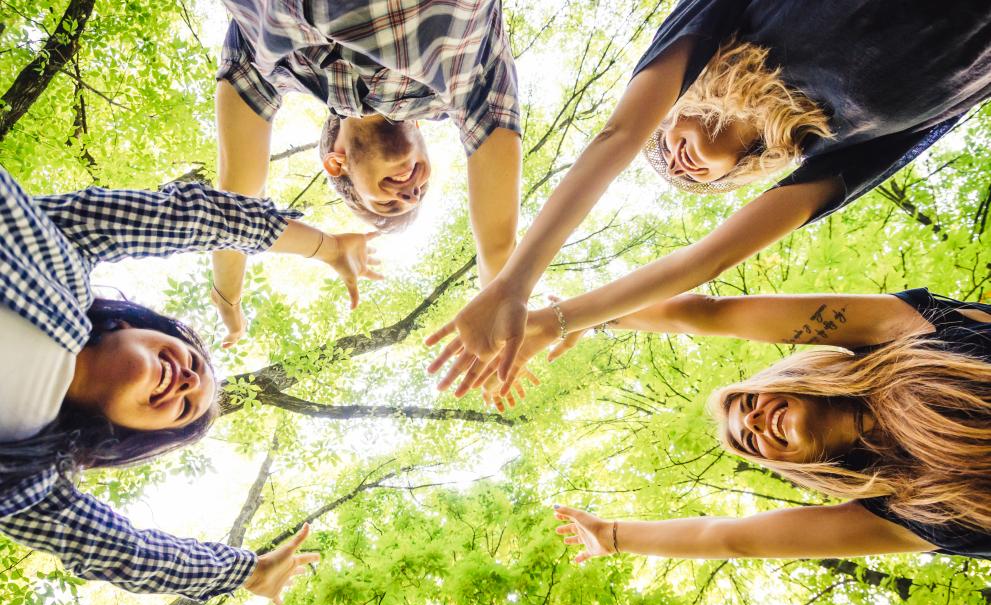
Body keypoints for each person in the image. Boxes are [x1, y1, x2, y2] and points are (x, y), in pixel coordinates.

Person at [425, 0, 991, 393]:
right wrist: (560, 320)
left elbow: (618, 136)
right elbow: (705, 262)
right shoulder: (831, 147)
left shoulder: (728, 29)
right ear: (740, 172)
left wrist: (514, 283)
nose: (676, 162)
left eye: (663, 143)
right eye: (694, 179)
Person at [0, 167, 380, 600]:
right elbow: (190, 218)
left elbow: (132, 555)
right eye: (193, 363)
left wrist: (249, 573)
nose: (187, 381)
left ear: (129, 431)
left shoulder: (28, 482)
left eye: (184, 407)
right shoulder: (60, 257)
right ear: (133, 326)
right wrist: (327, 247)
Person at [538, 288, 991, 561]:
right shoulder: (907, 512)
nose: (754, 420)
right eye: (750, 441)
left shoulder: (904, 334)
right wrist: (614, 536)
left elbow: (711, 313)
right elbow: (731, 539)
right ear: (792, 465)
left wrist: (591, 316)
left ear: (790, 380)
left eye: (751, 402)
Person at [211, 0, 523, 347]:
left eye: (388, 204)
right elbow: (497, 245)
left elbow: (235, 206)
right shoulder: (468, 88)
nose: (411, 195)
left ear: (336, 164)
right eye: (421, 192)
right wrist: (501, 315)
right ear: (419, 127)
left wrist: (227, 295)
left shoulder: (268, 66)